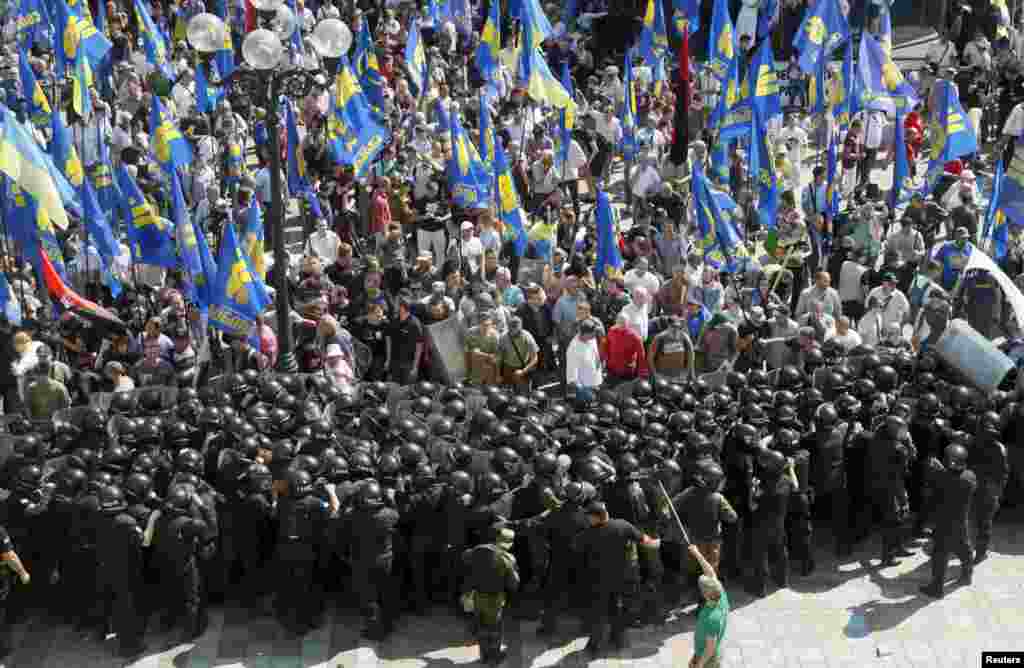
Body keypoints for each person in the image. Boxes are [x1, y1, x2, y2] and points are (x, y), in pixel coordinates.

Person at [571, 501, 660, 656]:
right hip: (621, 578)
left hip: (598, 581)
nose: (587, 520)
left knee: (597, 612)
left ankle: (594, 646)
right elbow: (646, 541)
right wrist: (657, 542)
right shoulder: (623, 525)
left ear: (595, 517)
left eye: (589, 517)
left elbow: (574, 547)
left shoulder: (587, 534)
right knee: (617, 609)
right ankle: (617, 640)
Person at [919, 444, 976, 598]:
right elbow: (953, 478)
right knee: (964, 549)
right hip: (961, 520)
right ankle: (966, 576)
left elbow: (933, 494)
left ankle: (936, 588)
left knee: (940, 554)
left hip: (945, 522)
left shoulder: (942, 478)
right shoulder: (970, 476)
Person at [461, 526, 520, 665]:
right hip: (495, 598)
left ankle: (484, 655)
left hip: (477, 595)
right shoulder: (507, 558)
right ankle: (494, 657)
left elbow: (465, 558)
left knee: (481, 625)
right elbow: (514, 583)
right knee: (494, 628)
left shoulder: (477, 550)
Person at [689, 543, 730, 668]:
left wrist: (700, 664)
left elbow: (710, 648)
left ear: (706, 596)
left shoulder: (712, 617)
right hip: (704, 654)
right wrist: (697, 553)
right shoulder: (720, 593)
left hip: (708, 659)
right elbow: (710, 571)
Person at [385, 294, 425, 384]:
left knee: (406, 390)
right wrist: (388, 359)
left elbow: (419, 346)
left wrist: (415, 366)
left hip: (408, 364)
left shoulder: (414, 324)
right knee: (393, 388)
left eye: (397, 304)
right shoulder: (394, 321)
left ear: (402, 307)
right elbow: (388, 340)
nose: (394, 306)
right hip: (394, 363)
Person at [565, 319, 603, 402]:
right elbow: (572, 377)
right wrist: (585, 392)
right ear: (585, 334)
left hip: (595, 384)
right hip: (584, 391)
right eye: (593, 334)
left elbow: (595, 356)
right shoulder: (573, 349)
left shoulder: (591, 339)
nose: (595, 335)